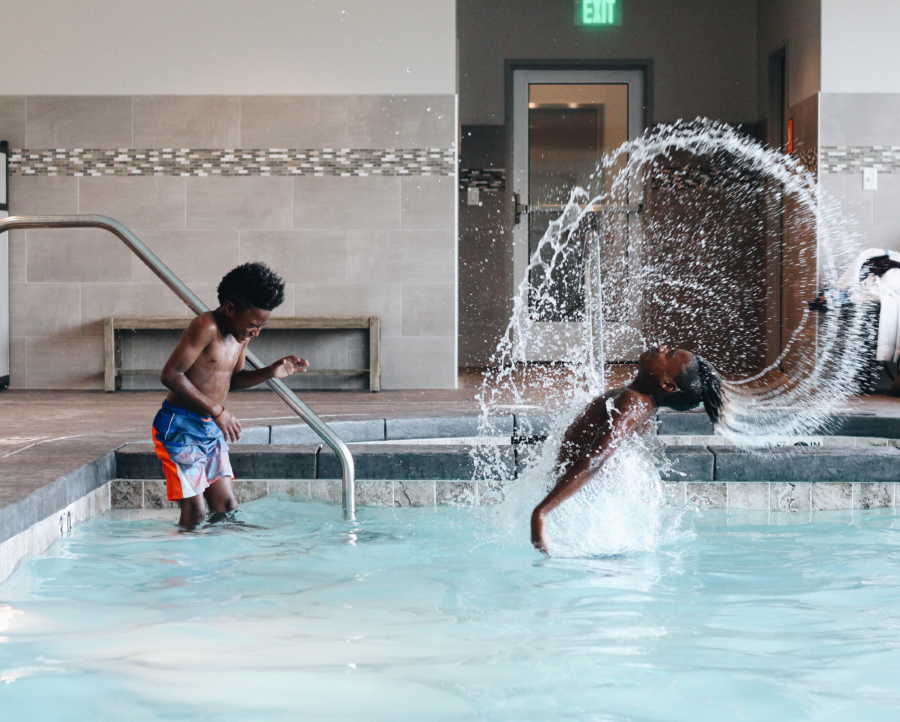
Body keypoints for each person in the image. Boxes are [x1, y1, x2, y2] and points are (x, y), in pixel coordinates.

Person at [152, 262, 309, 530]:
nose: (255, 332)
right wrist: (218, 411)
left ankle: (221, 565)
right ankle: (184, 567)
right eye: (253, 325)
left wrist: (270, 371)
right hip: (178, 426)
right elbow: (171, 375)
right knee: (196, 511)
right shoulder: (206, 327)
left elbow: (232, 381)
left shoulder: (241, 337)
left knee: (226, 507)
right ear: (230, 309)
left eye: (261, 327)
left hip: (209, 427)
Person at [530, 345, 723, 553]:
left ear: (667, 384)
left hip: (576, 503)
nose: (661, 348)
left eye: (669, 355)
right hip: (582, 503)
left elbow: (597, 458)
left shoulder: (633, 403)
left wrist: (542, 511)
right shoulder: (641, 401)